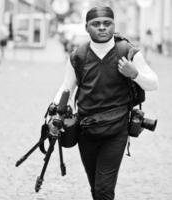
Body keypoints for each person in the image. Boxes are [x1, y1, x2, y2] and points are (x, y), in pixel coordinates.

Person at [53, 6, 159, 200]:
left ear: (113, 25)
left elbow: (153, 83)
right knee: (95, 188)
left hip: (116, 130)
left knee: (103, 190)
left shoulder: (127, 52)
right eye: (96, 24)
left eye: (107, 23)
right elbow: (66, 88)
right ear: (87, 27)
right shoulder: (79, 56)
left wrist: (134, 74)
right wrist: (55, 111)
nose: (102, 27)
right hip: (86, 129)